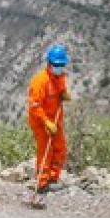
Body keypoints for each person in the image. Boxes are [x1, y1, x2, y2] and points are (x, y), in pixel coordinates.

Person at [26, 45, 72, 209]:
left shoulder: (60, 77)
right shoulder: (40, 81)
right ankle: (42, 183)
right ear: (49, 63)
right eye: (56, 65)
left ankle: (53, 178)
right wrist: (46, 122)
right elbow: (34, 105)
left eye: (61, 65)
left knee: (60, 148)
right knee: (45, 150)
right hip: (41, 121)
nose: (59, 68)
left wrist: (63, 93)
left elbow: (60, 90)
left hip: (55, 118)